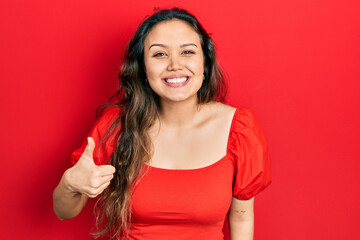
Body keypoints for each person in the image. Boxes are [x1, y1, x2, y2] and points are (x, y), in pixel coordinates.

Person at [53, 8, 272, 240]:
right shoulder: (117, 126)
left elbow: (241, 217)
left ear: (205, 64)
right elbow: (64, 211)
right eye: (159, 54)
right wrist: (69, 183)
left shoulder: (239, 129)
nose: (175, 65)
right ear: (143, 69)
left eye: (187, 51)